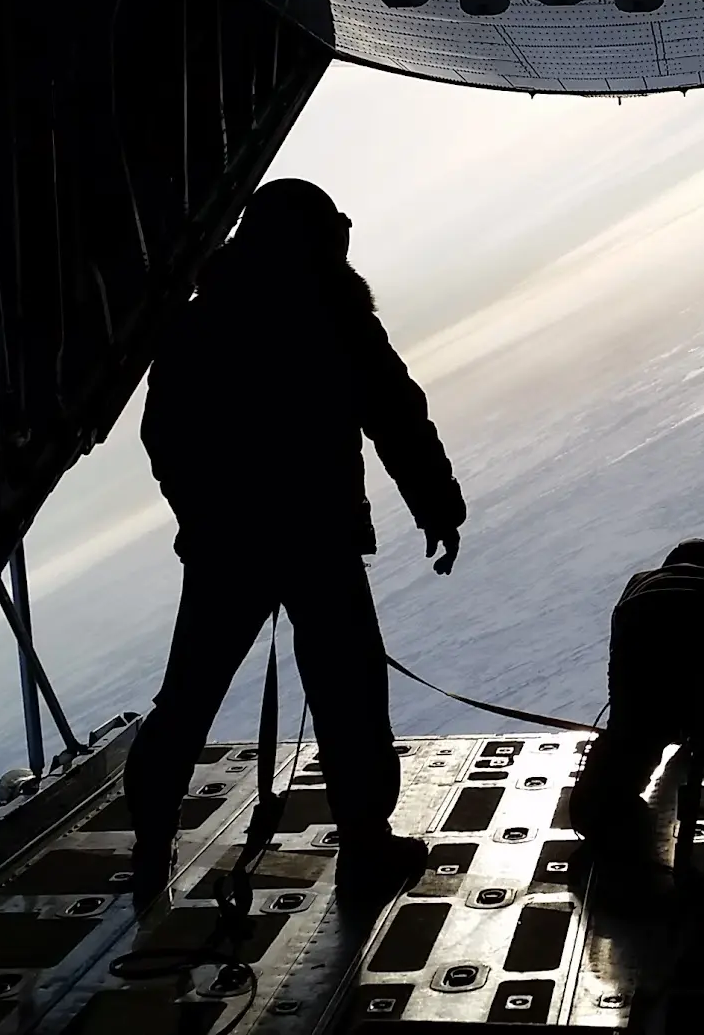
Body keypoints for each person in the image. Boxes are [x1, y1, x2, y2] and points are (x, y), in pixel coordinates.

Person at [124, 178, 467, 911]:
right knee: (347, 695)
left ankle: (150, 847)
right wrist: (437, 504)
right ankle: (366, 846)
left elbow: (165, 438)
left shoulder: (197, 322)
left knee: (185, 701)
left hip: (228, 549)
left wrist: (206, 518)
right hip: (318, 539)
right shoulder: (335, 315)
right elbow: (396, 416)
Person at [569, 539, 704, 877]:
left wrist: (627, 725)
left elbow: (619, 662)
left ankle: (602, 816)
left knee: (614, 778)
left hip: (643, 665)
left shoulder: (639, 582)